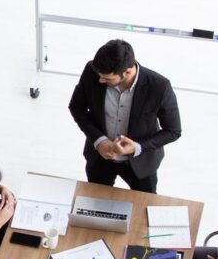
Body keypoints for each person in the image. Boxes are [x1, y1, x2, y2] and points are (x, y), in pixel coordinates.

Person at [66, 39, 182, 194]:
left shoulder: (159, 86)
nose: (100, 80)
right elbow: (77, 107)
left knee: (143, 206)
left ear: (127, 71)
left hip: (141, 164)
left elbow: (173, 131)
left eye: (107, 78)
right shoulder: (92, 70)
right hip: (99, 159)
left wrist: (137, 146)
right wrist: (99, 140)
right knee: (95, 202)